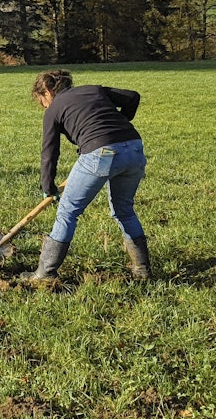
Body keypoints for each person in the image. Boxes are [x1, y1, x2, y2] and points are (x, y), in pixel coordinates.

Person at [22, 69, 150, 282]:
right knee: (124, 210)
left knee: (67, 212)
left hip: (101, 154)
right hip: (134, 149)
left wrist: (48, 186)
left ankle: (45, 273)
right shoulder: (93, 90)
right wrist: (121, 120)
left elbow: (49, 152)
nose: (43, 106)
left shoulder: (53, 109)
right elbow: (132, 96)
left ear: (47, 92)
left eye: (41, 101)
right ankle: (142, 270)